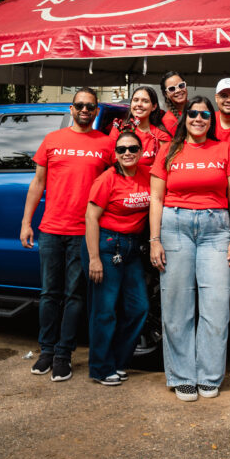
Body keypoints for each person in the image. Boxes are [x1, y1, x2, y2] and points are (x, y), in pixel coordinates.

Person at [149, 96, 230, 401]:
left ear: (210, 120)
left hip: (216, 229)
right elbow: (156, 199)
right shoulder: (169, 150)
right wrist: (154, 240)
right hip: (174, 225)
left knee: (216, 304)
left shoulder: (223, 149)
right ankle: (182, 375)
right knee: (177, 304)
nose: (199, 118)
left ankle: (209, 375)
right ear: (185, 118)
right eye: (193, 114)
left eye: (205, 114)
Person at [20, 87, 114, 381]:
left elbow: (115, 184)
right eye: (80, 105)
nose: (85, 110)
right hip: (50, 229)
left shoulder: (107, 144)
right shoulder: (52, 140)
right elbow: (37, 183)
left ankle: (64, 354)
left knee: (75, 295)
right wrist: (26, 222)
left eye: (90, 106)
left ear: (96, 111)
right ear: (71, 109)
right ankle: (45, 351)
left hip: (84, 231)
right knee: (49, 293)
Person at [83, 130, 151, 385]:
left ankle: (119, 361)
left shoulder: (147, 174)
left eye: (132, 148)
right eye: (121, 150)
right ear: (115, 154)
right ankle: (100, 367)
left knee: (139, 308)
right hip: (106, 245)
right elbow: (91, 217)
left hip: (132, 248)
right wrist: (94, 258)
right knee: (105, 311)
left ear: (141, 151)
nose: (127, 153)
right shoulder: (107, 179)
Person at [111, 85, 171, 170]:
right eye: (135, 100)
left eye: (145, 101)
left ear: (154, 107)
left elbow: (164, 167)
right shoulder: (119, 129)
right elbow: (111, 160)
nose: (139, 104)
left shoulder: (160, 135)